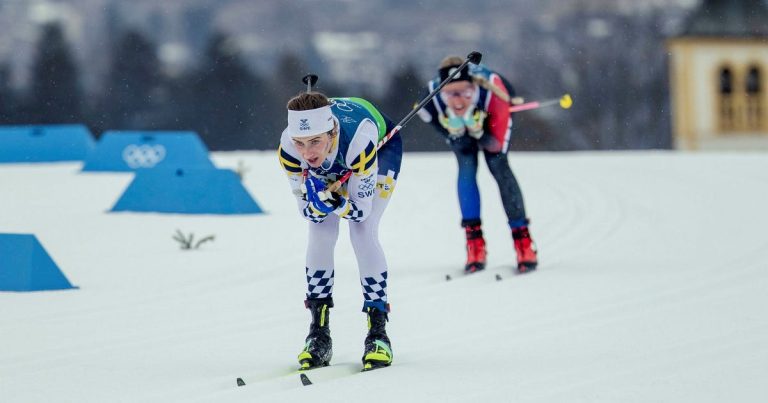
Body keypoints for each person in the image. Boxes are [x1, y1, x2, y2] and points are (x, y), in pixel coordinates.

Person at [278, 92, 402, 371]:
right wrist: (317, 203)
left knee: (362, 231)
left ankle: (378, 333)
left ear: (331, 132)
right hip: (337, 157)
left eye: (315, 142)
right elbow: (307, 212)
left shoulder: (359, 140)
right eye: (300, 143)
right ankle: (318, 334)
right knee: (320, 230)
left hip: (382, 147)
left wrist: (334, 201)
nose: (307, 153)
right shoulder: (289, 149)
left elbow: (360, 210)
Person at [416, 55, 538, 274]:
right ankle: (474, 245)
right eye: (451, 94)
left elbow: (495, 144)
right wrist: (453, 135)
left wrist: (482, 135)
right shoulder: (430, 99)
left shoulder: (493, 93)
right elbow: (435, 123)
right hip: (459, 126)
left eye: (465, 92)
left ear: (475, 86)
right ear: (440, 91)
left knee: (498, 166)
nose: (459, 100)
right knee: (466, 167)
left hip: (493, 118)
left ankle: (523, 242)